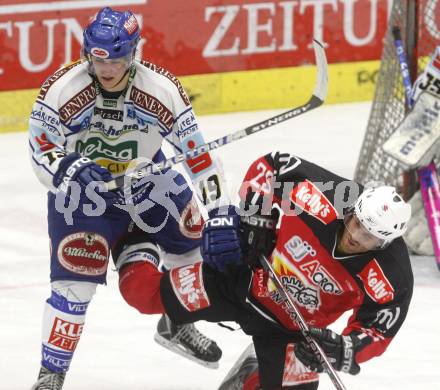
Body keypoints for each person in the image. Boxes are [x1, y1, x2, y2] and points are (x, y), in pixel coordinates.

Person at [29, 7, 229, 389]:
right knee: (74, 288)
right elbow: (40, 146)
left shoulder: (164, 91)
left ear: (135, 52)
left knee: (195, 242)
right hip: (83, 196)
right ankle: (50, 376)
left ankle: (177, 323)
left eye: (117, 60)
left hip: (147, 181)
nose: (105, 70)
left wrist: (220, 209)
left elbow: (201, 160)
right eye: (97, 59)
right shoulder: (62, 89)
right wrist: (69, 168)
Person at [117, 151, 413, 389]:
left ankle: (254, 373)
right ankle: (128, 237)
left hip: (291, 331)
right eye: (357, 222)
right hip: (241, 277)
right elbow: (270, 167)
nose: (354, 235)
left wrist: (342, 349)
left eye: (368, 236)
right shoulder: (327, 194)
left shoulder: (392, 276)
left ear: (384, 242)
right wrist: (257, 218)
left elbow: (376, 333)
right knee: (140, 293)